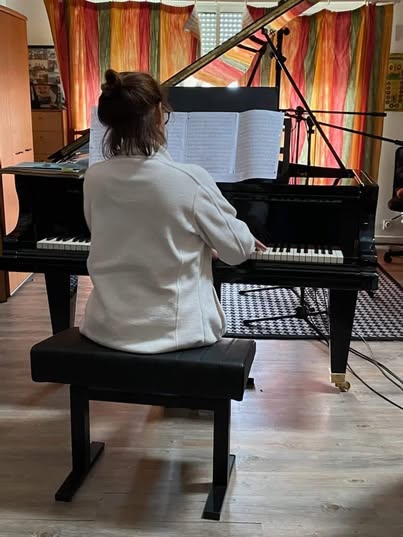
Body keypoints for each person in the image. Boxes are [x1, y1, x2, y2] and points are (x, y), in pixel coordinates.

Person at [80, 69, 266, 353]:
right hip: (175, 333)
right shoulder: (190, 179)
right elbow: (237, 251)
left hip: (105, 329)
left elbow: (124, 236)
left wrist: (191, 243)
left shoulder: (94, 177)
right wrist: (215, 241)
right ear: (158, 115)